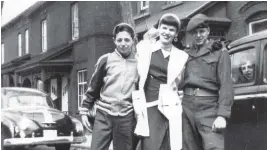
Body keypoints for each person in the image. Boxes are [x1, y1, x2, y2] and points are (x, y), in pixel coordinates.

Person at [133, 13, 188, 150]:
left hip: (170, 105)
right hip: (148, 104)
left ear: (176, 33)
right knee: (150, 143)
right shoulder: (144, 49)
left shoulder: (181, 56)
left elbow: (180, 82)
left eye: (171, 30)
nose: (167, 32)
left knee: (168, 144)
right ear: (158, 28)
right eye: (164, 28)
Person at [80, 23, 138, 150]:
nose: (123, 43)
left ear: (133, 41)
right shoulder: (105, 59)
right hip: (103, 115)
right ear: (114, 41)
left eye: (127, 40)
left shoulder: (139, 62)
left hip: (126, 116)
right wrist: (84, 111)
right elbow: (93, 87)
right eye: (119, 40)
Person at [180, 14, 234, 150]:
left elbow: (226, 85)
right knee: (188, 146)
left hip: (209, 107)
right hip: (186, 107)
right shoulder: (185, 54)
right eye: (195, 32)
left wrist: (222, 115)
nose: (198, 35)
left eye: (202, 31)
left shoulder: (219, 52)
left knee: (214, 146)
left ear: (208, 31)